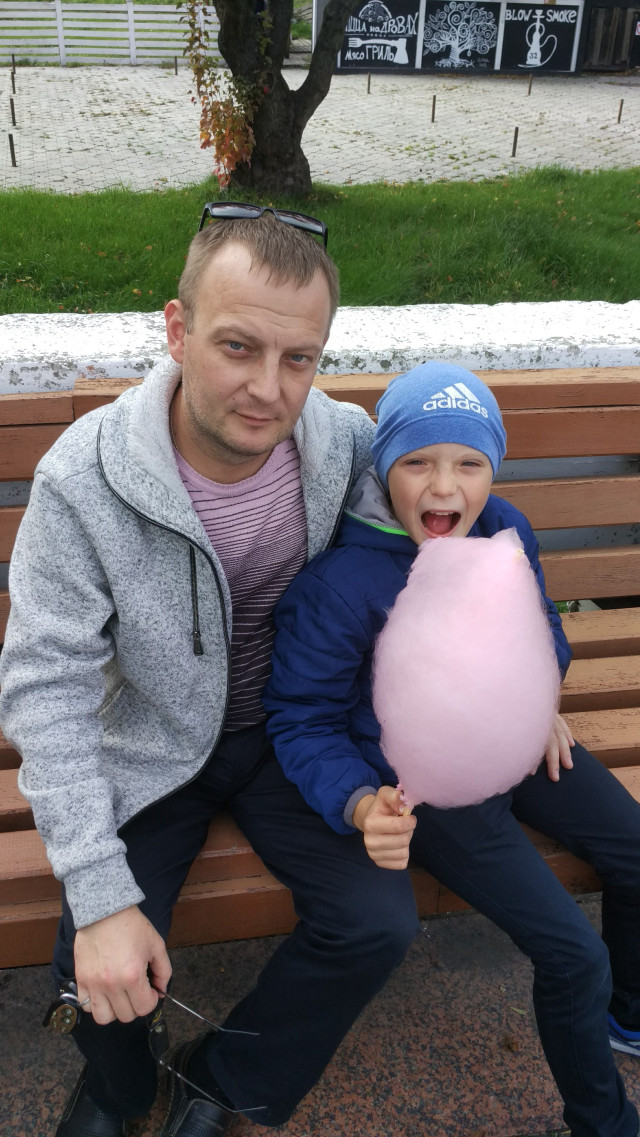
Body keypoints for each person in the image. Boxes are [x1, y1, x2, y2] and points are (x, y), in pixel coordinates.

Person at [0, 205, 421, 1137]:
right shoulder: (86, 479)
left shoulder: (344, 444)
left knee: (377, 921)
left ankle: (223, 1077)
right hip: (152, 741)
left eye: (299, 357)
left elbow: (456, 523)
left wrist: (527, 672)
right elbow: (45, 683)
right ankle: (121, 1090)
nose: (269, 389)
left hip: (291, 732)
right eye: (238, 346)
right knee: (90, 958)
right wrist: (101, 897)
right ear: (177, 329)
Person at [264, 362, 640, 1137]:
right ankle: (604, 1121)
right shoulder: (343, 584)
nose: (445, 485)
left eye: (469, 462)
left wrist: (542, 694)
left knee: (635, 846)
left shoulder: (505, 529)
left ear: (493, 468)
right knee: (575, 956)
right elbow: (301, 718)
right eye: (417, 462)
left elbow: (542, 624)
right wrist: (359, 799)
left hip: (517, 738)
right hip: (426, 786)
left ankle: (626, 1016)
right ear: (384, 469)